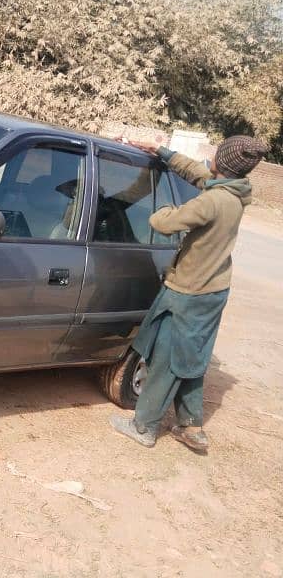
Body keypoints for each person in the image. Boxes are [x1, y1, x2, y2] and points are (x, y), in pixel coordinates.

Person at [110, 136, 269, 452]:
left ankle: (143, 427)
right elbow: (199, 173)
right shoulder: (234, 193)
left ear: (220, 162)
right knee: (192, 359)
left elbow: (164, 222)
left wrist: (161, 202)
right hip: (213, 290)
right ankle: (190, 425)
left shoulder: (210, 202)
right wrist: (163, 154)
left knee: (165, 360)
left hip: (188, 292)